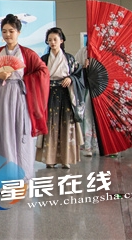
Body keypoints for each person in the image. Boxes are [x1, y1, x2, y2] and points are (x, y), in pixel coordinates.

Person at [0, 14, 49, 187]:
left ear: (19, 32)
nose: (7, 34)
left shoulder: (28, 54)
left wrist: (25, 79)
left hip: (19, 99)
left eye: (11, 31)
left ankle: (22, 178)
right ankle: (3, 177)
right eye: (4, 31)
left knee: (20, 135)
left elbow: (43, 72)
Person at [36, 27, 85, 169]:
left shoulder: (69, 59)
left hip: (66, 95)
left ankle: (66, 159)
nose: (52, 42)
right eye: (49, 40)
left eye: (55, 39)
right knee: (50, 126)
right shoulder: (44, 59)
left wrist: (71, 79)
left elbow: (78, 75)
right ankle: (50, 159)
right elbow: (37, 76)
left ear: (61, 40)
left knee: (66, 126)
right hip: (49, 95)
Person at [75, 45, 98, 157]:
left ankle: (100, 145)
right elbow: (74, 67)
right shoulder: (84, 51)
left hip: (101, 89)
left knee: (100, 118)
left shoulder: (106, 51)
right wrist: (82, 67)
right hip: (88, 88)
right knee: (87, 116)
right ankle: (87, 145)